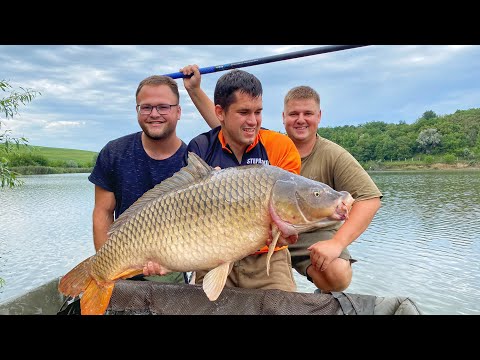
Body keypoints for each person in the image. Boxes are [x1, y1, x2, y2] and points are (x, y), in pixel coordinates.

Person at [179, 64, 382, 293]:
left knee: (332, 274)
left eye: (258, 113)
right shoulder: (205, 144)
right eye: (294, 114)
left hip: (278, 244)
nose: (252, 121)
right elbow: (227, 123)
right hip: (219, 245)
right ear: (284, 117)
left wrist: (336, 243)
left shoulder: (297, 150)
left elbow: (369, 199)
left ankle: (319, 289)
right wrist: (194, 90)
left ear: (320, 116)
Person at [182, 67, 302, 293]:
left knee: (286, 304)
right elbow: (188, 214)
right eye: (244, 112)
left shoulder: (280, 147)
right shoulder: (201, 147)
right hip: (212, 252)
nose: (253, 121)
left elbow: (289, 212)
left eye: (258, 112)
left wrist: (288, 230)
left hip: (266, 258)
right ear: (220, 112)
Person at [88, 74, 188, 284]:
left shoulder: (191, 161)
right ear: (137, 111)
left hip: (172, 264)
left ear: (178, 112)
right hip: (123, 257)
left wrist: (170, 262)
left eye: (163, 107)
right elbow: (102, 211)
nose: (154, 114)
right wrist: (107, 264)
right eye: (146, 107)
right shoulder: (114, 152)